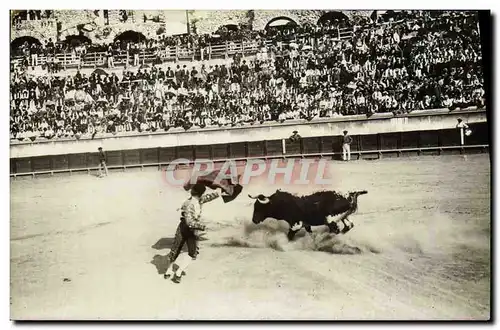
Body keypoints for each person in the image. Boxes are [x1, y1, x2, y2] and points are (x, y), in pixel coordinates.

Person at [164, 183, 220, 283]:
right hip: (184, 228)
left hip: (191, 230)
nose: (191, 189)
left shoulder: (199, 200)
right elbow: (189, 223)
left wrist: (219, 192)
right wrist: (203, 226)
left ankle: (178, 272)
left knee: (192, 252)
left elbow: (208, 197)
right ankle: (168, 270)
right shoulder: (189, 203)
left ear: (195, 192)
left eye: (193, 188)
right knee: (176, 251)